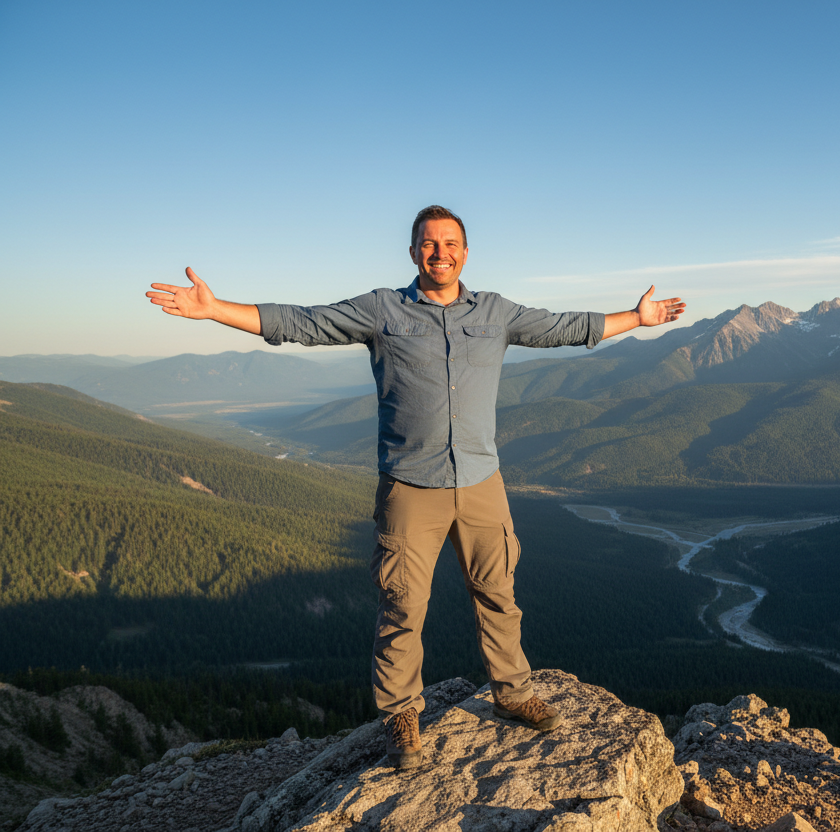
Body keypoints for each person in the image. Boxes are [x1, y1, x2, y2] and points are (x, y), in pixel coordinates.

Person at [146, 205, 685, 769]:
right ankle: (402, 715)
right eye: (429, 244)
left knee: (498, 592)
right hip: (410, 485)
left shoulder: (497, 312)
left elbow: (567, 328)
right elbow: (301, 322)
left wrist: (637, 318)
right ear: (412, 253)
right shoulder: (382, 310)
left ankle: (513, 693)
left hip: (481, 479)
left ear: (466, 252)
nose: (440, 253)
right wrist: (215, 310)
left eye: (450, 243)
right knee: (402, 603)